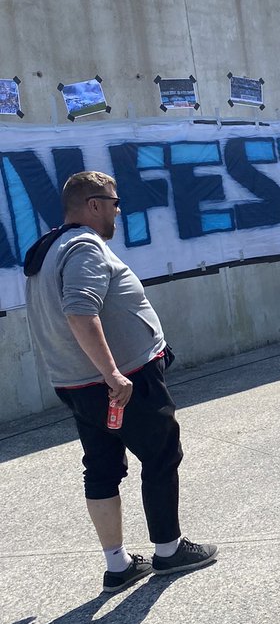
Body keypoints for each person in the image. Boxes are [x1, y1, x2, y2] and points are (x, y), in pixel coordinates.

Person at [23, 171, 217, 594]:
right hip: (119, 381)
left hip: (78, 384)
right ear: (93, 205)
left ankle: (119, 564)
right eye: (113, 202)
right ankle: (169, 550)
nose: (118, 210)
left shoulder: (47, 249)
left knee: (102, 467)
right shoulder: (83, 247)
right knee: (162, 454)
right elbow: (80, 312)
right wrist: (112, 373)